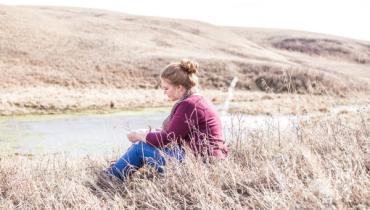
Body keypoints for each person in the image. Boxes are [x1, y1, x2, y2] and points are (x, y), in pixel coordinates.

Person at [105, 59, 228, 181]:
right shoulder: (198, 100)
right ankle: (119, 167)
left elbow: (166, 139)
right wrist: (149, 133)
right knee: (144, 143)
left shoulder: (189, 105)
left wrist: (138, 135)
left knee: (139, 148)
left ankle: (111, 177)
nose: (164, 93)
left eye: (166, 88)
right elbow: (176, 133)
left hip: (201, 166)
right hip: (209, 162)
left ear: (179, 87)